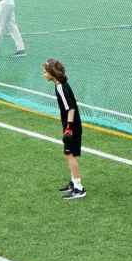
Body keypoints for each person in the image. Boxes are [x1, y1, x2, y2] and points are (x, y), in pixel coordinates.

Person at [44, 58, 86, 200]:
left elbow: (71, 108)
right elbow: (73, 98)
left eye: (45, 72)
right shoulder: (62, 84)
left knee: (69, 155)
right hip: (71, 124)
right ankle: (74, 182)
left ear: (52, 73)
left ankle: (79, 189)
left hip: (71, 125)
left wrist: (68, 128)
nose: (44, 74)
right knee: (69, 154)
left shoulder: (60, 87)